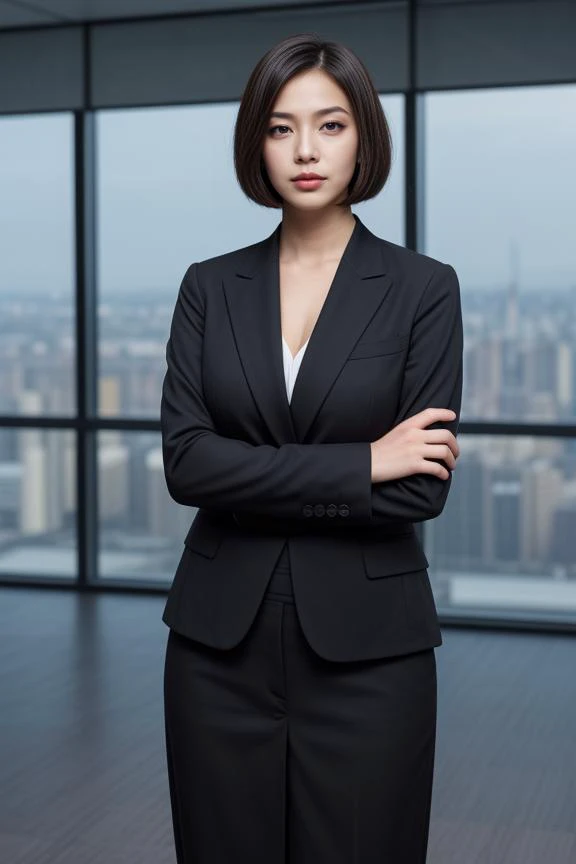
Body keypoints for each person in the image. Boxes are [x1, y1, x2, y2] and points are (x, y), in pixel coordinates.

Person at [161, 32, 463, 864]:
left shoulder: (422, 289)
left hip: (371, 654)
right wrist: (363, 462)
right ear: (254, 142)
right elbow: (187, 463)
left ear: (364, 135)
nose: (304, 150)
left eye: (329, 125)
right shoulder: (209, 286)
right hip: (216, 650)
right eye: (280, 127)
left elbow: (421, 489)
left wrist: (251, 473)